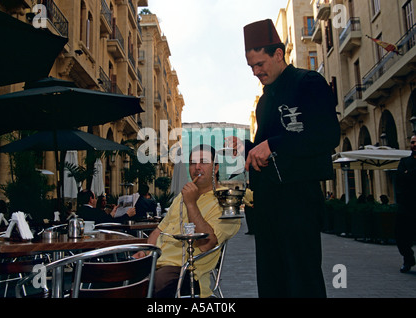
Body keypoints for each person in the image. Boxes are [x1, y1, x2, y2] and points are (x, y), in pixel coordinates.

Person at [226, 19, 340, 298]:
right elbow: (268, 148)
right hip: (267, 205)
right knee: (271, 279)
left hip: (298, 202)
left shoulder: (308, 82)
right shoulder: (264, 101)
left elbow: (326, 135)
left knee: (302, 280)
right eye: (251, 67)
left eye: (260, 64)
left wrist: (272, 145)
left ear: (279, 54)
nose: (256, 72)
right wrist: (246, 147)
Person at [133, 144, 241, 298]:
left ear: (215, 168)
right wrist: (145, 251)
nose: (197, 167)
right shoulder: (180, 197)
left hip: (186, 270)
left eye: (203, 162)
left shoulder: (226, 202)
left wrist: (191, 203)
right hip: (154, 262)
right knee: (111, 276)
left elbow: (206, 244)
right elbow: (158, 231)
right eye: (192, 163)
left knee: (149, 285)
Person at [395, 135, 416, 273]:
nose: (413, 144)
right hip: (407, 205)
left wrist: (409, 174)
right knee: (401, 236)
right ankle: (408, 259)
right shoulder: (404, 161)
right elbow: (400, 178)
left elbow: (406, 177)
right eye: (412, 142)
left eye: (415, 142)